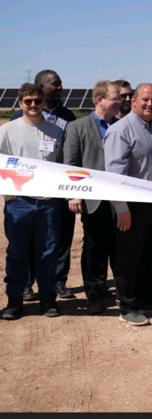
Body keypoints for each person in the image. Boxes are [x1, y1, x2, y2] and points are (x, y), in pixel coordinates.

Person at [104, 83, 152, 326]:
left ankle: (145, 298)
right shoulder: (121, 130)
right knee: (128, 258)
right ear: (133, 101)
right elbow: (113, 173)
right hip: (131, 207)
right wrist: (120, 207)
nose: (150, 104)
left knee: (146, 256)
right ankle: (128, 305)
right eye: (145, 100)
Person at [0, 83, 65, 320]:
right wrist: (10, 196)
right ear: (20, 103)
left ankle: (48, 301)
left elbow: (61, 165)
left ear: (43, 102)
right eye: (28, 101)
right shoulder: (7, 131)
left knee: (47, 253)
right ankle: (14, 301)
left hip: (48, 203)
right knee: (17, 253)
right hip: (19, 203)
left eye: (37, 100)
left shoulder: (56, 131)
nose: (33, 105)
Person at [11, 69, 77, 301]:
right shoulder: (16, 120)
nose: (60, 88)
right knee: (28, 240)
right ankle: (27, 285)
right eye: (55, 84)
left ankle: (58, 282)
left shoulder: (68, 117)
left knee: (60, 239)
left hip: (58, 189)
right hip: (26, 192)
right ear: (41, 86)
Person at [62, 80, 122, 315]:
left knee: (116, 246)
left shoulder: (119, 126)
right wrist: (74, 195)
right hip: (92, 199)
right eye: (116, 98)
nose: (120, 102)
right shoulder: (77, 127)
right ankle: (94, 294)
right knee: (94, 246)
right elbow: (71, 164)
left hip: (117, 199)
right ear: (100, 100)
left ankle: (116, 288)